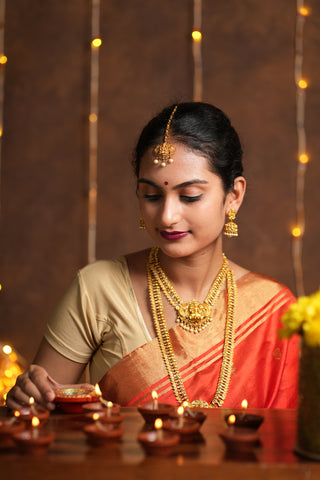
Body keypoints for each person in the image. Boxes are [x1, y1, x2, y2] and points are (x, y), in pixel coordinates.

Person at [6, 102, 299, 411]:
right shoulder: (97, 288)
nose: (168, 216)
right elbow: (41, 416)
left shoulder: (275, 309)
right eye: (152, 195)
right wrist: (28, 398)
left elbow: (293, 443)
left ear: (234, 196)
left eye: (190, 196)